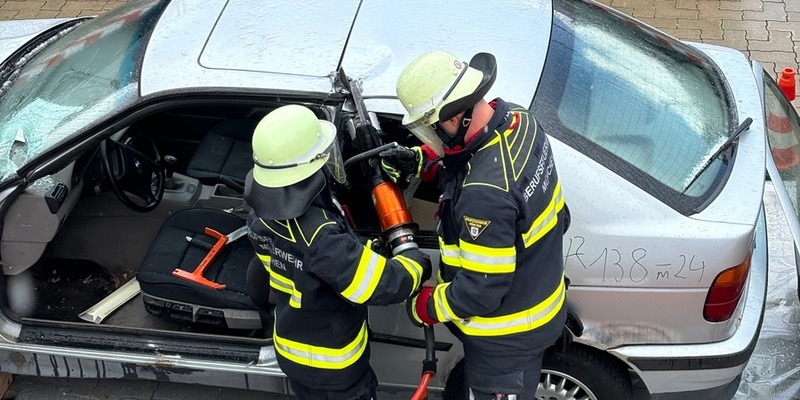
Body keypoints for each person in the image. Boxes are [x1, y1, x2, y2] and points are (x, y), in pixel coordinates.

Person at [382, 50, 568, 400]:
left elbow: (481, 290)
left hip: (505, 341)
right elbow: (476, 156)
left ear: (455, 119)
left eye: (430, 127)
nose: (429, 135)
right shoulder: (518, 119)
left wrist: (427, 306)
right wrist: (423, 159)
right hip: (538, 296)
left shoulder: (484, 197)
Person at [244, 104, 432, 400]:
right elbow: (381, 285)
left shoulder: (260, 214)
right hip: (335, 369)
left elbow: (307, 266)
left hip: (293, 353)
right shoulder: (320, 236)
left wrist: (362, 251)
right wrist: (413, 262)